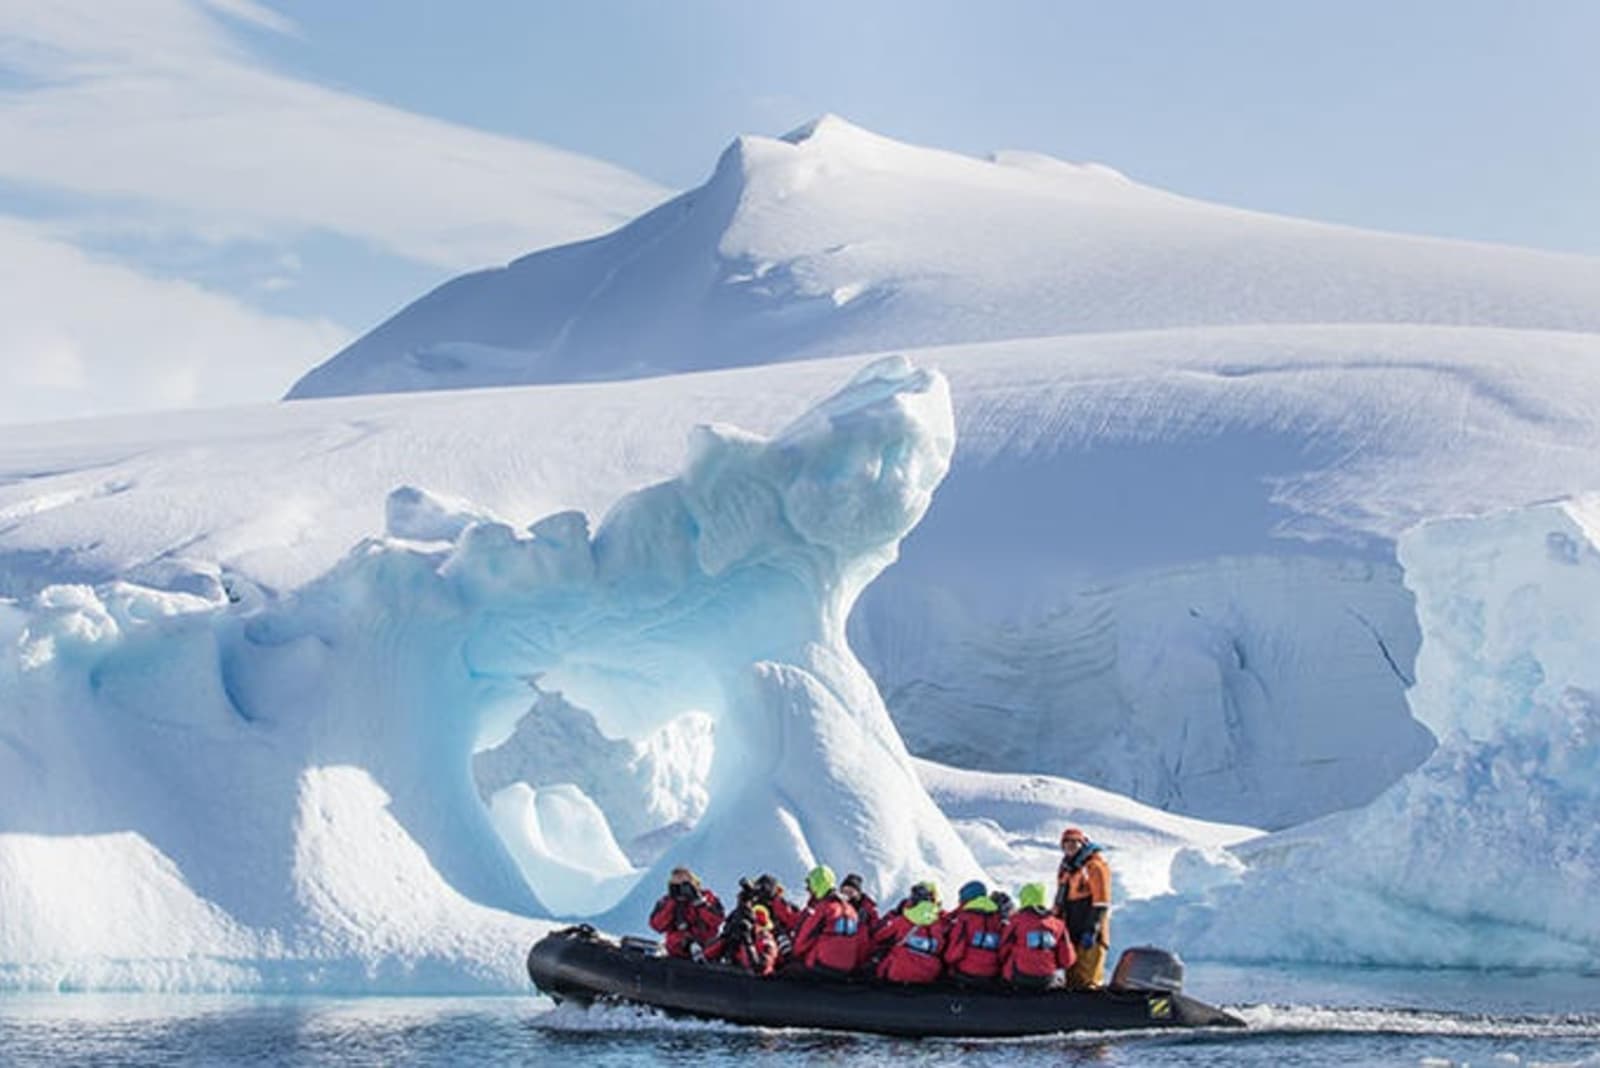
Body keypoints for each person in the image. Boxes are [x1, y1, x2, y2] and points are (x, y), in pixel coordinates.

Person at [1054, 826, 1112, 989]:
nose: (1070, 846)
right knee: (1072, 979)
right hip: (1071, 932)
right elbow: (1060, 900)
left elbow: (1101, 901)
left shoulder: (1094, 866)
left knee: (1088, 980)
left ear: (1083, 843)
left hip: (1090, 932)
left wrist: (1092, 929)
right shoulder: (1066, 869)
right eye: (1066, 843)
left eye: (1074, 842)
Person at [789, 864, 862, 976]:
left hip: (822, 966)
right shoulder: (851, 910)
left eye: (811, 886)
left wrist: (792, 955)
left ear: (817, 885)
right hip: (847, 967)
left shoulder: (825, 908)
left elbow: (804, 938)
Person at [999, 882, 1076, 988]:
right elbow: (1067, 959)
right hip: (1048, 979)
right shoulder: (1058, 924)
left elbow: (1003, 950)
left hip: (1019, 976)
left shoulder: (1016, 921)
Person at [647, 866, 724, 960]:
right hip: (677, 951)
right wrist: (673, 902)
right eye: (676, 885)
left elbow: (717, 919)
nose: (682, 889)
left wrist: (698, 902)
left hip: (707, 948)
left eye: (685, 884)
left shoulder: (708, 898)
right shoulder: (666, 902)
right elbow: (657, 925)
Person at [942, 879, 1005, 982]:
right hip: (992, 972)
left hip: (966, 972)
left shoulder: (965, 919)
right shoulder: (997, 917)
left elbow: (954, 952)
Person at [873, 899, 946, 984]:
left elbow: (879, 936)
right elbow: (941, 947)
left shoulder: (902, 920)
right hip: (928, 975)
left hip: (899, 970)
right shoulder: (938, 924)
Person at [706, 903, 780, 976]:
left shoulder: (767, 940)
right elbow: (705, 958)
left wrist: (748, 942)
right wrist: (726, 937)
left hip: (756, 983)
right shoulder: (735, 937)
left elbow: (761, 969)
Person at [837, 873, 880, 968]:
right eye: (844, 891)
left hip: (861, 951)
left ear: (858, 893)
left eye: (851, 892)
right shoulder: (837, 906)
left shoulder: (868, 909)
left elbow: (876, 931)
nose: (847, 895)